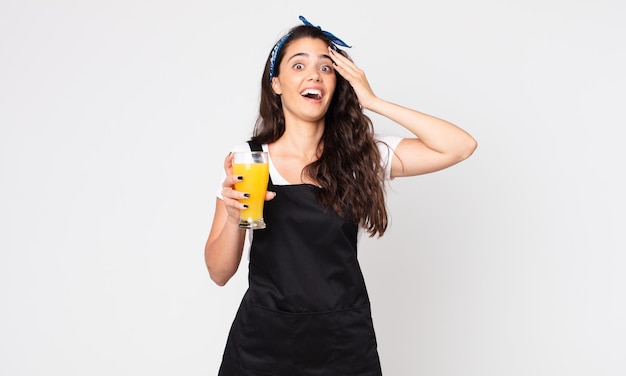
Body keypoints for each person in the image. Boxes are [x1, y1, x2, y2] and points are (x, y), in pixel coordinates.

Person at [205, 15, 477, 375]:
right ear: (276, 84)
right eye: (298, 64)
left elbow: (459, 146)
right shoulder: (250, 159)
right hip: (262, 345)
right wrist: (232, 214)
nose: (313, 75)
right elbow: (220, 272)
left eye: (326, 67)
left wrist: (373, 101)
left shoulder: (360, 156)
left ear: (338, 83)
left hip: (342, 344)